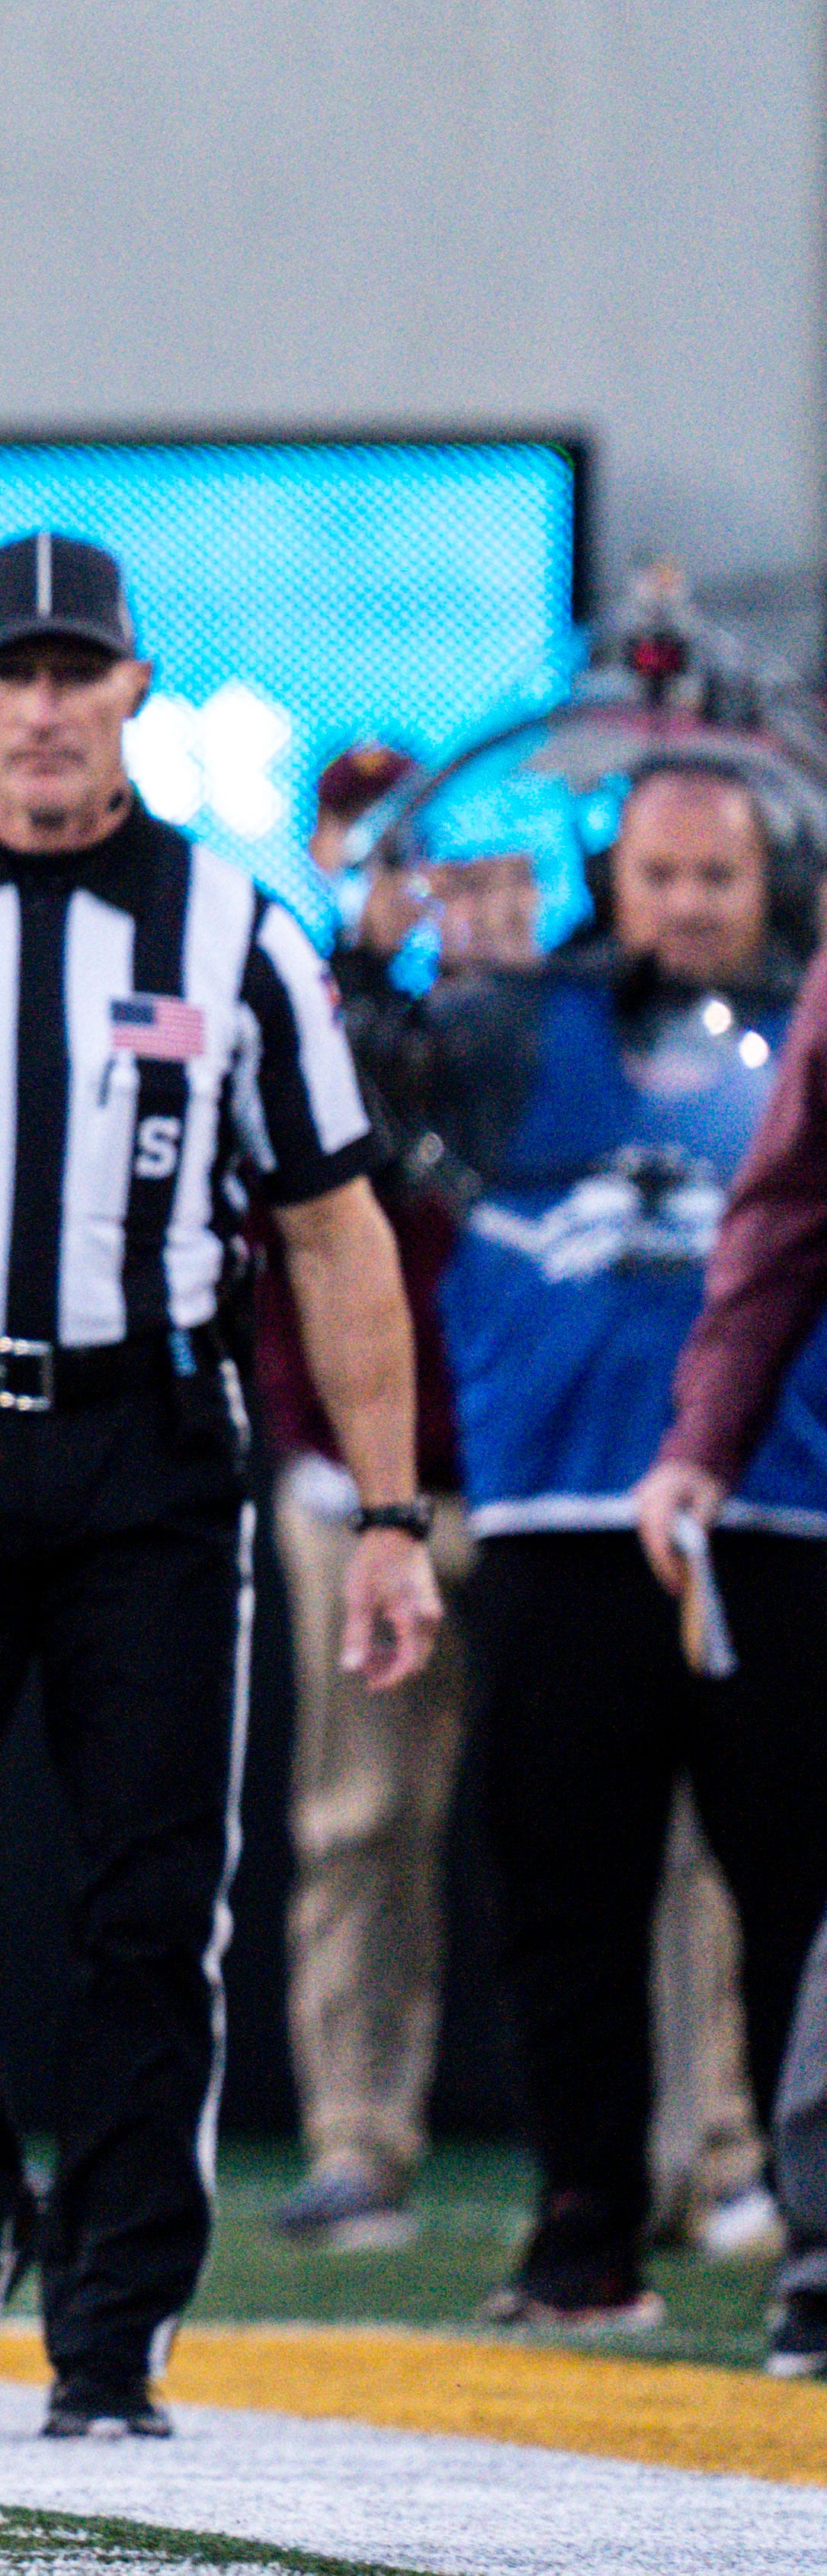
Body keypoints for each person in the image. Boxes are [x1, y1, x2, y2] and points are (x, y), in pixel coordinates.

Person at [0, 531, 441, 2440]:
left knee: (151, 1908)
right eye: (11, 672)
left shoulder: (237, 930)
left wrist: (386, 1511)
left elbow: (335, 1231)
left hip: (146, 1453)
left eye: (78, 671)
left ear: (133, 692)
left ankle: (110, 2334)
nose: (44, 706)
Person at [415, 753, 827, 2331]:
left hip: (784, 1515)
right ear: (610, 876)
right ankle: (581, 2216)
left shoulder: (801, 1009)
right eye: (656, 874)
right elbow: (356, 1079)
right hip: (556, 1513)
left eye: (714, 876)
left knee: (797, 1897)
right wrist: (387, 932)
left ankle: (802, 2226)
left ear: (766, 878)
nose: (684, 905)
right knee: (558, 1898)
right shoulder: (506, 1026)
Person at [256, 741, 492, 2250]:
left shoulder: (522, 1015)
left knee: (647, 1824)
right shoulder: (288, 1018)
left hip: (544, 1469)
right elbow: (266, 1259)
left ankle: (709, 2148)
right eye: (361, 844)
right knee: (356, 1818)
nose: (389, 877)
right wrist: (325, 1457)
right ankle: (353, 2132)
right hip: (351, 1479)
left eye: (413, 848)